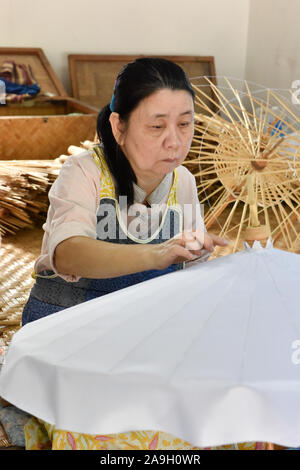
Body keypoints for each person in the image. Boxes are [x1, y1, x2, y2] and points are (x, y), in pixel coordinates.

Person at [20, 57, 267, 450]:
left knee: (223, 397)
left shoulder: (181, 182)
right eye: (157, 126)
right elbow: (68, 254)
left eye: (185, 124)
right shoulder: (84, 172)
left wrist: (216, 262)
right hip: (68, 326)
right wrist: (156, 255)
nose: (175, 140)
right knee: (104, 421)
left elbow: (185, 279)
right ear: (119, 126)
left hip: (143, 329)